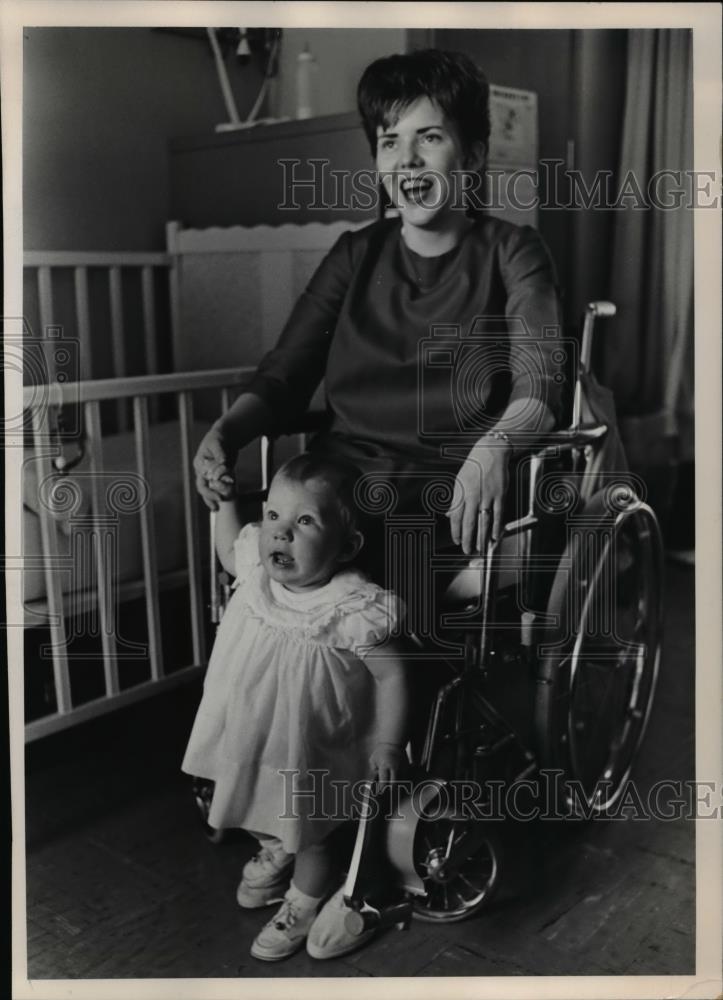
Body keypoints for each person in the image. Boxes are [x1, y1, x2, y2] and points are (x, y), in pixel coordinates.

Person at [193, 48, 565, 599]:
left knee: (345, 586)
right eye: (390, 141)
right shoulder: (354, 255)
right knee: (286, 564)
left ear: (472, 155)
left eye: (430, 138)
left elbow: (542, 385)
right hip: (339, 489)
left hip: (447, 487)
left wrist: (495, 449)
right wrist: (225, 434)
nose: (407, 160)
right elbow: (283, 376)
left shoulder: (513, 252)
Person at [182, 453, 408, 962]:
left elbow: (392, 673)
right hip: (252, 730)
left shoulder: (349, 607)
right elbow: (226, 549)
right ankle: (274, 844)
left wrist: (390, 743)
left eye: (305, 521)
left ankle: (302, 901)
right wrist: (227, 503)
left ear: (345, 546)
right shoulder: (256, 573)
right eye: (274, 516)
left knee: (311, 830)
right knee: (249, 794)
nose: (280, 534)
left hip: (309, 747)